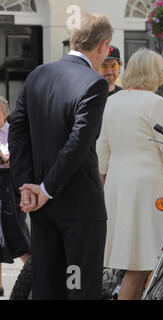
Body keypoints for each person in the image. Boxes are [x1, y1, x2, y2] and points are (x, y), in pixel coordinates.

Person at [8, 12, 113, 299]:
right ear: (103, 45)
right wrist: (44, 189)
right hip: (79, 207)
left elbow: (17, 134)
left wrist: (27, 185)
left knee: (47, 288)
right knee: (79, 288)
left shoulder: (37, 75)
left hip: (42, 209)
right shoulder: (94, 83)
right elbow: (78, 142)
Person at [97, 48, 163, 300]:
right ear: (154, 73)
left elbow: (102, 149)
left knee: (131, 258)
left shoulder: (111, 101)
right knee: (143, 260)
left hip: (115, 185)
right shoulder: (155, 103)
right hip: (145, 188)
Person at [0, 96, 30, 297]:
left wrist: (5, 158)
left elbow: (19, 157)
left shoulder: (12, 132)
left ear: (5, 112)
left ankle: (36, 272)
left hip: (9, 185)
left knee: (17, 235)